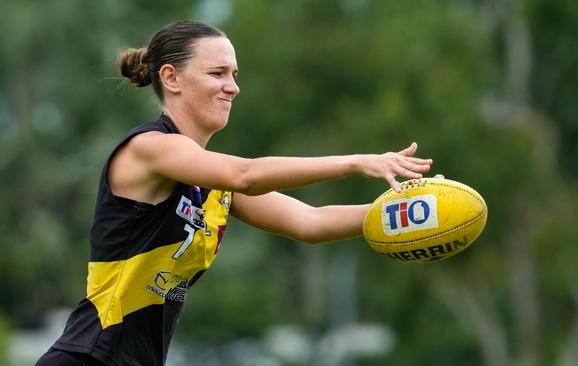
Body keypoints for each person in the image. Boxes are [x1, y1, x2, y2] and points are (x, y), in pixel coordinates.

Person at [36, 20, 434, 366]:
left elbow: (309, 221)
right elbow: (246, 174)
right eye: (218, 73)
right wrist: (355, 162)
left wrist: (406, 211)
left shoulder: (213, 184)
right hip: (88, 357)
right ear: (171, 78)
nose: (233, 87)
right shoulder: (149, 148)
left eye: (235, 75)